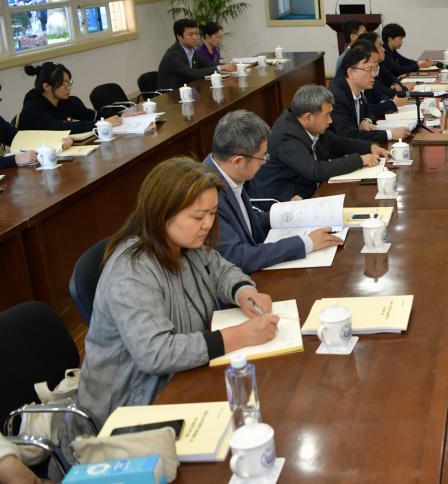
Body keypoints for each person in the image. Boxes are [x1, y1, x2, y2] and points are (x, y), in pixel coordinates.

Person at [77, 157, 280, 426]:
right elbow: (156, 353)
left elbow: (220, 270)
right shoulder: (131, 271)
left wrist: (243, 291)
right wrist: (238, 336)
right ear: (162, 213)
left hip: (183, 378)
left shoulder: (184, 243)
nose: (207, 224)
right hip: (131, 408)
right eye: (198, 216)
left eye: (212, 213)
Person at [205, 111, 343, 274]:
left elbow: (247, 225)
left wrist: (284, 212)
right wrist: (306, 243)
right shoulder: (208, 195)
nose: (264, 162)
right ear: (238, 161)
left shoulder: (228, 172)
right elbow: (237, 257)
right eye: (262, 157)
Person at [250, 85, 386, 201]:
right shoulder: (286, 136)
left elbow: (337, 143)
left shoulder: (308, 125)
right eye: (327, 115)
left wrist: (369, 147)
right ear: (308, 117)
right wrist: (359, 160)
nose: (330, 120)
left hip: (308, 192)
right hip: (281, 202)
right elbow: (315, 171)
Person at [329, 43, 410, 144]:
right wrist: (390, 134)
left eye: (374, 69)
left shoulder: (358, 89)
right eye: (369, 70)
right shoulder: (337, 97)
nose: (373, 75)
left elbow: (368, 110)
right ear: (351, 73)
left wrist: (366, 120)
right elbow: (348, 135)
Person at [19, 62, 122, 133]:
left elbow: (90, 115)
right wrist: (102, 124)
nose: (69, 88)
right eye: (64, 84)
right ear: (47, 87)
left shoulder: (67, 101)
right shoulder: (33, 107)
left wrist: (120, 115)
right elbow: (60, 128)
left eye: (69, 83)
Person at [157, 18, 236, 90]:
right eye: (190, 34)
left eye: (196, 33)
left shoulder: (192, 51)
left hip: (188, 91)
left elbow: (208, 64)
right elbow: (193, 73)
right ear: (179, 36)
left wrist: (229, 65)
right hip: (172, 96)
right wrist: (221, 68)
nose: (195, 37)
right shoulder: (173, 55)